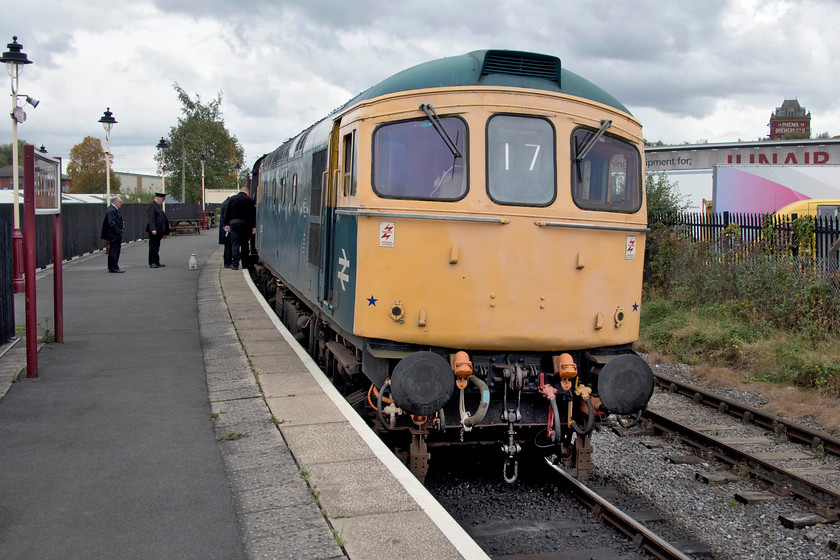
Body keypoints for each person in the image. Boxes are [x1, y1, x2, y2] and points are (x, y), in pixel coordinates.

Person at [223, 185, 256, 270]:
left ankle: (235, 264)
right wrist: (253, 226)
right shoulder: (250, 200)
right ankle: (245, 264)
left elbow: (227, 212)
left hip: (234, 223)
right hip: (245, 224)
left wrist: (226, 224)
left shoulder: (232, 199)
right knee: (245, 244)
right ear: (247, 193)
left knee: (235, 243)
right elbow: (253, 214)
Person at [100, 195, 125, 273]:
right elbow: (111, 223)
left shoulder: (113, 209)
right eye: (120, 202)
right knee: (114, 251)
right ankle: (113, 267)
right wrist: (118, 231)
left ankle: (113, 266)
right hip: (113, 234)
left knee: (113, 250)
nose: (121, 204)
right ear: (115, 202)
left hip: (114, 234)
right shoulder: (112, 210)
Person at [146, 192, 170, 268]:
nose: (162, 201)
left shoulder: (158, 206)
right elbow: (151, 218)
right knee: (153, 246)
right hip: (154, 230)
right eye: (162, 200)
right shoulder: (152, 205)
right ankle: (152, 262)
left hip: (159, 230)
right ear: (158, 198)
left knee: (157, 246)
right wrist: (153, 228)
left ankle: (156, 261)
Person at [218, 195, 232, 268]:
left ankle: (227, 261)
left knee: (227, 246)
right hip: (227, 229)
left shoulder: (225, 203)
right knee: (228, 246)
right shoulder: (228, 204)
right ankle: (227, 262)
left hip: (224, 228)